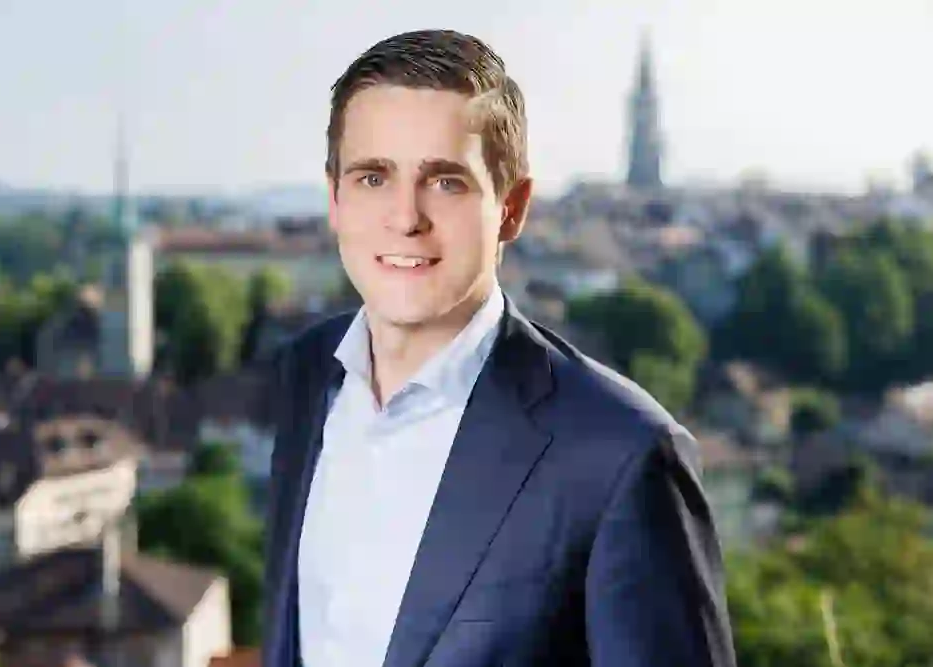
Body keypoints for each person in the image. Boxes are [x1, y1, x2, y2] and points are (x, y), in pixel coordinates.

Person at [260, 29, 736, 667]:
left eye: (446, 182)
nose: (405, 217)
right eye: (373, 177)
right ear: (335, 200)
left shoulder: (623, 453)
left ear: (511, 208)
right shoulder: (308, 373)